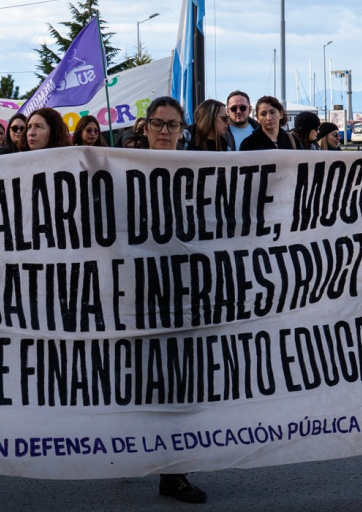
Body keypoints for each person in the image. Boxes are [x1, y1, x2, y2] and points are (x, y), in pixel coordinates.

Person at [137, 95, 208, 503]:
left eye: (172, 124)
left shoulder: (198, 170)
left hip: (184, 292)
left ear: (183, 130)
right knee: (138, 384)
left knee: (178, 384)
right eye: (158, 123)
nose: (165, 131)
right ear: (146, 127)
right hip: (135, 292)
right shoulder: (121, 168)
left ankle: (173, 472)